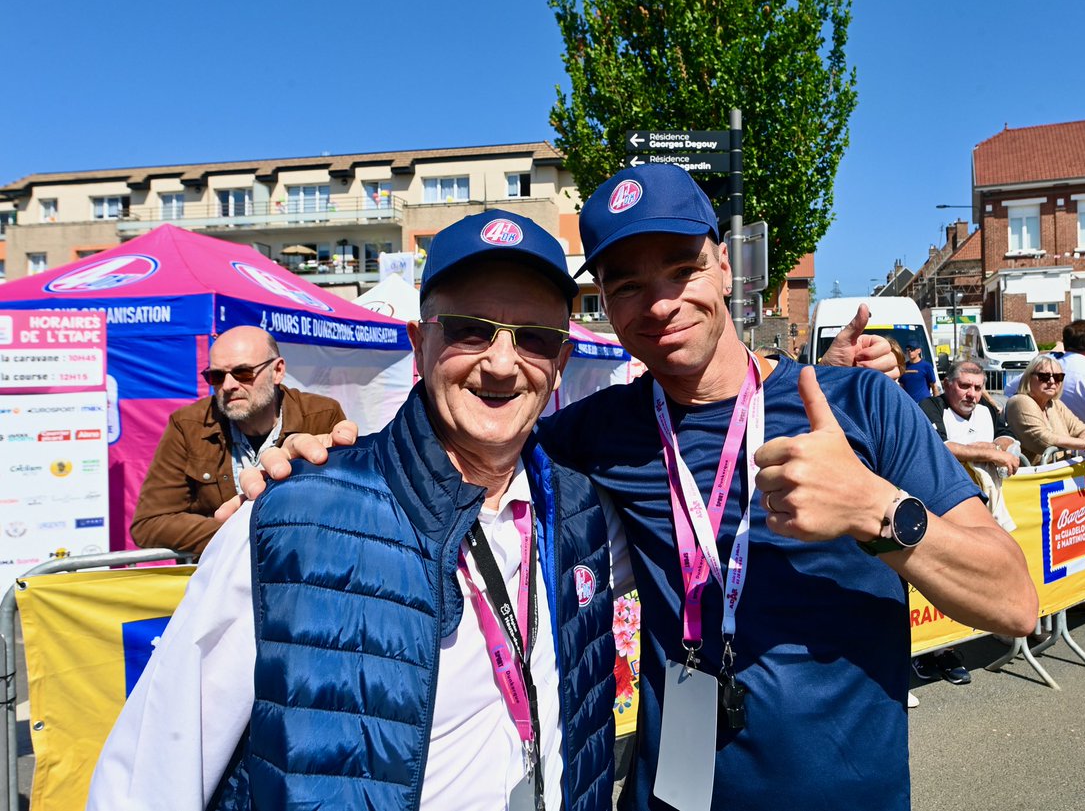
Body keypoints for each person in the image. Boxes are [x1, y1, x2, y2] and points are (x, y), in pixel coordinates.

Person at [250, 164, 1037, 810]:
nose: (660, 302)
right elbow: (460, 446)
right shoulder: (598, 433)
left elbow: (1014, 602)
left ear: (724, 263)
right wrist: (337, 458)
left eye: (682, 268)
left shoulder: (860, 407)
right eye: (626, 284)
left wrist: (876, 510)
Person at [89, 211, 619, 810]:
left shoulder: (580, 512)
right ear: (420, 345)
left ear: (561, 363)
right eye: (470, 330)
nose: (501, 363)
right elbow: (157, 770)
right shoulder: (292, 517)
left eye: (534, 338)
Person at [129, 326, 345, 556]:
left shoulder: (321, 415)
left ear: (278, 370)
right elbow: (149, 523)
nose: (229, 385)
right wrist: (247, 534)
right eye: (217, 376)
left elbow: (345, 508)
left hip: (302, 567)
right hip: (222, 579)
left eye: (243, 372)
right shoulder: (187, 425)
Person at [912, 359, 1022, 686]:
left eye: (977, 387)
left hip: (983, 511)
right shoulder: (930, 407)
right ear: (947, 385)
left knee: (980, 573)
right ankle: (932, 652)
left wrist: (998, 447)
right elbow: (941, 448)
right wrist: (988, 452)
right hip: (940, 510)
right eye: (964, 386)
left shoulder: (987, 409)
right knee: (940, 580)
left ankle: (990, 625)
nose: (972, 394)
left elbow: (1007, 439)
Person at [1005, 355, 1085, 464]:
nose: (1052, 381)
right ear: (1028, 378)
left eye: (1058, 377)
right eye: (1044, 376)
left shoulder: (1054, 404)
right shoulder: (1019, 401)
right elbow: (1043, 439)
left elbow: (1079, 428)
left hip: (1058, 476)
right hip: (1031, 481)